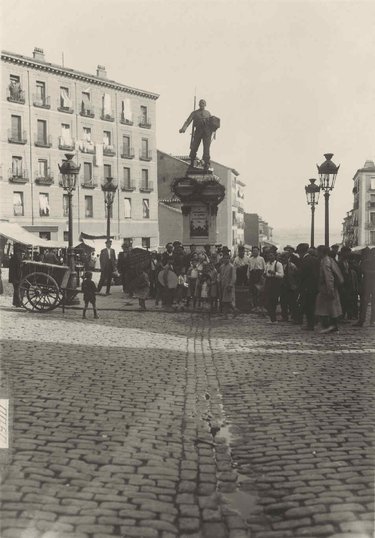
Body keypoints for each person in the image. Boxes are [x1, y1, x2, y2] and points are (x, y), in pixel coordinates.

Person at [179, 99, 218, 171]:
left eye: (203, 103)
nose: (202, 104)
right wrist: (183, 128)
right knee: (194, 147)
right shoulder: (194, 113)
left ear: (205, 105)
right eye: (201, 103)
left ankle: (206, 163)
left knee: (206, 149)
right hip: (198, 132)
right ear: (198, 104)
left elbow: (212, 122)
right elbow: (188, 121)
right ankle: (192, 162)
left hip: (207, 133)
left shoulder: (208, 113)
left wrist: (214, 130)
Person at [315, 245, 344, 333]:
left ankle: (331, 326)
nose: (317, 253)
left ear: (321, 252)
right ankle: (330, 325)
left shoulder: (325, 261)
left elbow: (329, 277)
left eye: (318, 251)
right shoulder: (329, 259)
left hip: (327, 287)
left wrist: (330, 290)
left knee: (328, 307)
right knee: (328, 307)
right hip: (328, 287)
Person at [298, 244, 320, 330]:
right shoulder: (314, 259)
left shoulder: (305, 260)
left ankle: (310, 325)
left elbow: (303, 274)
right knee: (312, 305)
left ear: (301, 252)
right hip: (314, 286)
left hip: (307, 287)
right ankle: (313, 323)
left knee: (308, 306)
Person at [354, 247, 375, 327]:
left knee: (371, 302)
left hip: (370, 283)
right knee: (364, 302)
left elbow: (363, 270)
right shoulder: (365, 262)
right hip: (366, 283)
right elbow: (361, 270)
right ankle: (362, 320)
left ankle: (372, 320)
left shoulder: (365, 262)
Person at [264, 250, 284, 322]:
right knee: (267, 301)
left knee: (273, 301)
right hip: (268, 282)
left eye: (272, 255)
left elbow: (281, 275)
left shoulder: (278, 264)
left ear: (275, 256)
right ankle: (271, 317)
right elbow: (265, 273)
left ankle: (273, 318)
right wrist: (265, 274)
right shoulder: (267, 264)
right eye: (269, 255)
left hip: (275, 283)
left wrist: (274, 273)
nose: (270, 257)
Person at [279, 251, 299, 322]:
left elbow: (296, 276)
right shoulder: (279, 265)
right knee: (283, 302)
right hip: (282, 286)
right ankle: (284, 316)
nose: (283, 259)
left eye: (285, 258)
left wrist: (295, 285)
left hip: (290, 286)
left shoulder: (292, 266)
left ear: (288, 258)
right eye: (282, 258)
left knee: (292, 302)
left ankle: (294, 317)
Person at [218, 251, 236, 316]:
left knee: (227, 301)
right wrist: (219, 282)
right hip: (222, 285)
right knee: (225, 300)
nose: (226, 260)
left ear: (229, 259)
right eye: (224, 258)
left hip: (228, 286)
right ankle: (234, 311)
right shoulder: (221, 266)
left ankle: (225, 315)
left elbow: (233, 277)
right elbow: (220, 275)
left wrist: (230, 285)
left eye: (227, 258)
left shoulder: (231, 267)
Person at [8, 243, 24, 307]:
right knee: (18, 289)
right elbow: (18, 268)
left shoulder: (13, 258)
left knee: (16, 289)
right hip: (16, 276)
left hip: (13, 276)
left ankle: (15, 302)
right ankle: (18, 303)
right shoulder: (17, 258)